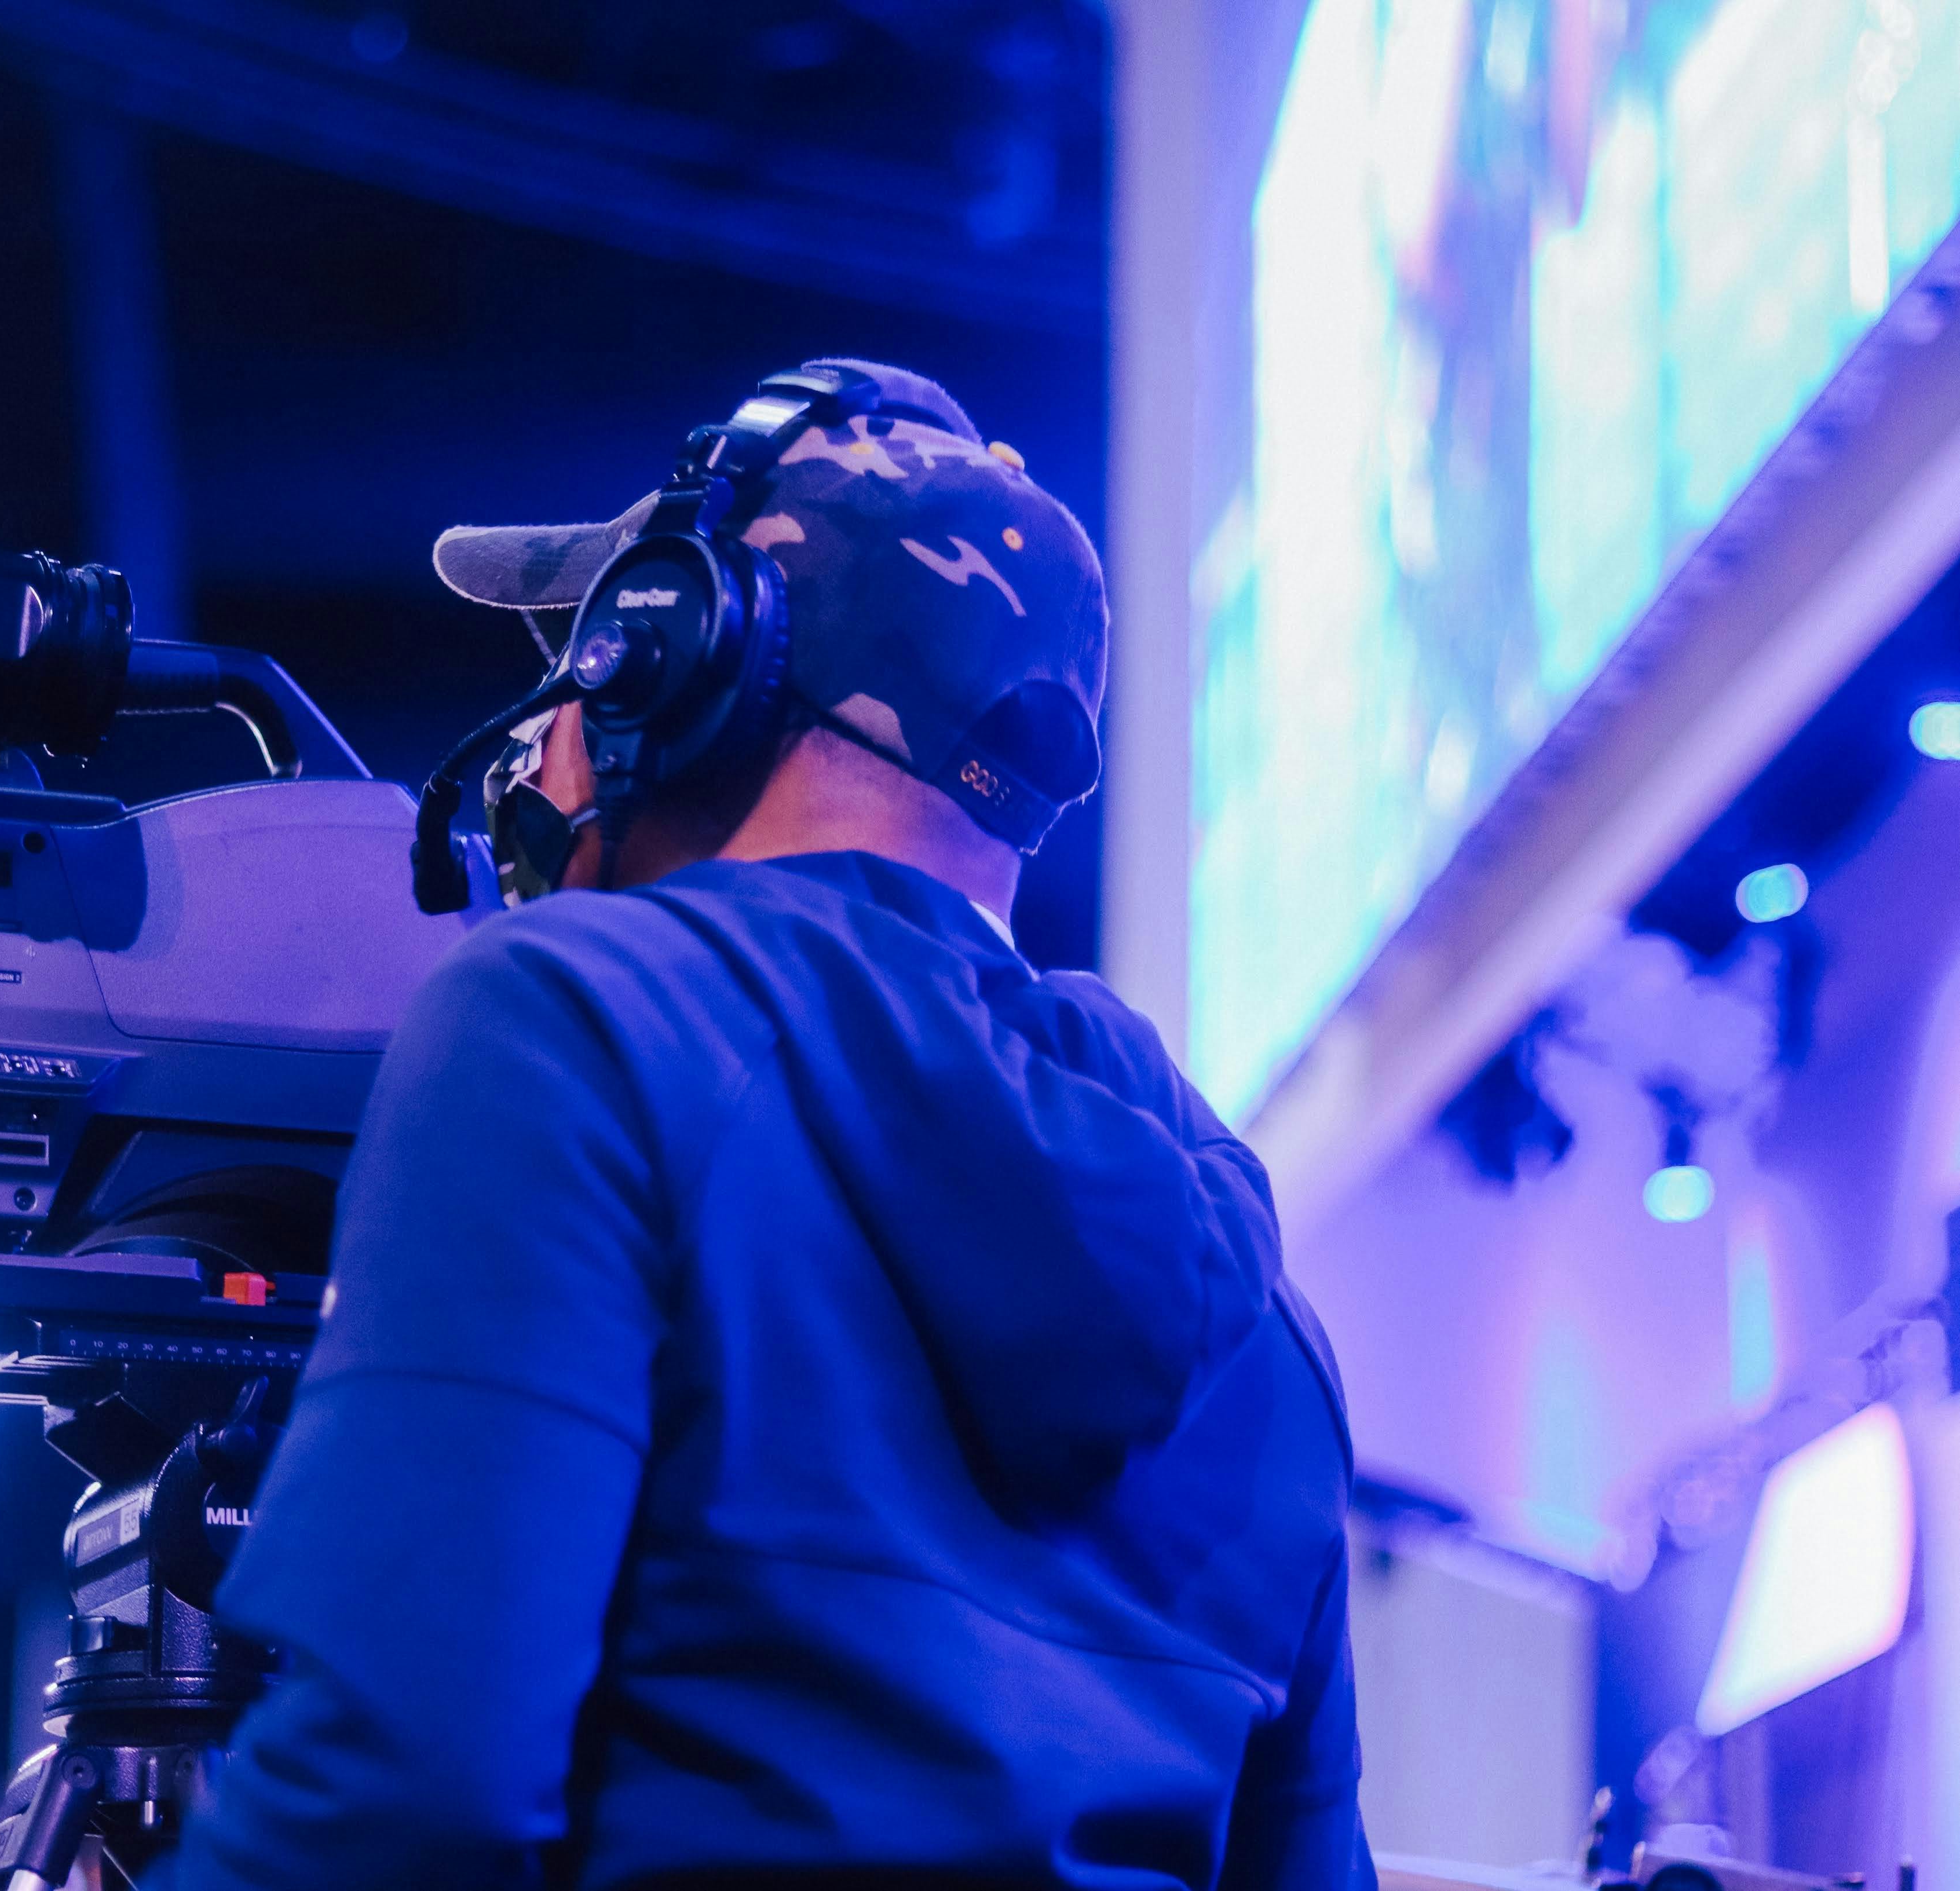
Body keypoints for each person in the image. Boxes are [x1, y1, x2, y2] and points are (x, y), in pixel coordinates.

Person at [157, 360, 1374, 1888]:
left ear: (686, 660)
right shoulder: (1269, 1320)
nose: (553, 721)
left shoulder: (576, 1021)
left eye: (588, 652)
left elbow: (396, 1797)